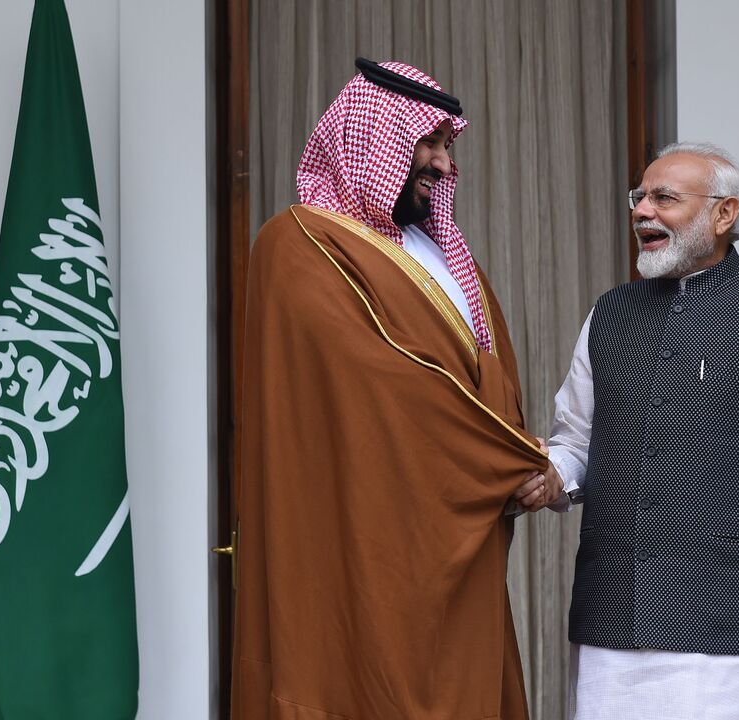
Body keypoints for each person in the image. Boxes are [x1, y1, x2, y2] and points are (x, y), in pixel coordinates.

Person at [237, 59, 562, 720]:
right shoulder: (298, 246)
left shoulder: (444, 254)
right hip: (356, 546)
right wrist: (513, 457)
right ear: (376, 136)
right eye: (429, 143)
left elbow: (488, 375)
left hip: (456, 547)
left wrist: (516, 455)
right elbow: (381, 386)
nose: (444, 166)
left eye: (448, 147)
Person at [547, 142, 739, 720]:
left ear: (724, 215)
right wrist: (544, 478)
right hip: (611, 626)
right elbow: (574, 446)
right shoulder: (609, 313)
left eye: (664, 198)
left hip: (735, 629)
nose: (643, 211)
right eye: (639, 197)